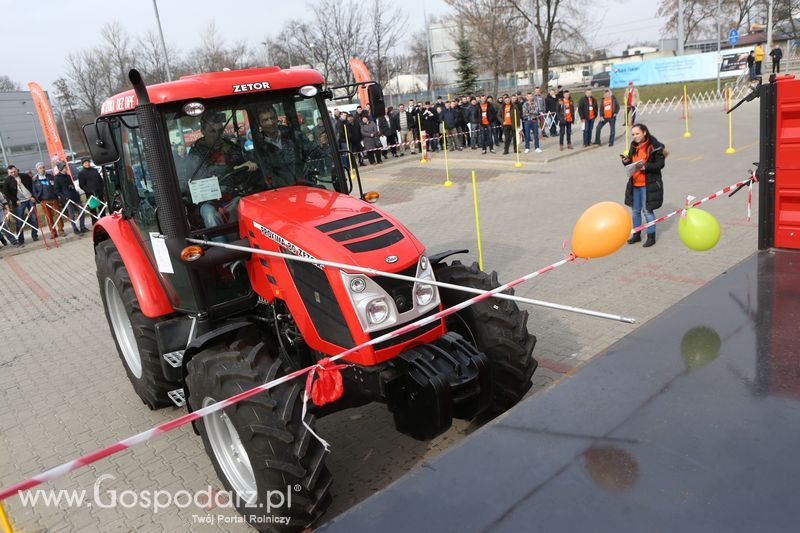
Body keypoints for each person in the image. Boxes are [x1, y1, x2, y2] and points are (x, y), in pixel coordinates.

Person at [186, 113, 258, 232]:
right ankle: (221, 248)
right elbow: (206, 172)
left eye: (220, 131)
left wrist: (249, 166)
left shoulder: (231, 148)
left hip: (232, 196)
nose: (217, 135)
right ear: (203, 131)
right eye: (212, 131)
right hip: (208, 201)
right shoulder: (196, 153)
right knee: (210, 214)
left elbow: (245, 171)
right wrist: (235, 168)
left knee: (243, 205)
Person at [622, 123, 667, 248]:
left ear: (644, 132)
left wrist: (645, 166)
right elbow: (631, 165)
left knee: (647, 211)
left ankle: (651, 236)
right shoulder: (633, 146)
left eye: (637, 133)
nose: (635, 136)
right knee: (635, 211)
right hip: (635, 184)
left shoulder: (655, 146)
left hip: (649, 184)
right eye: (633, 134)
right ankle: (636, 234)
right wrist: (626, 162)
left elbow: (660, 164)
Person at [3, 164, 39, 245]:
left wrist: (33, 196)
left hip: (30, 199)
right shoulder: (7, 181)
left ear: (17, 170)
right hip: (19, 202)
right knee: (19, 221)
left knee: (34, 218)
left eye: (14, 171)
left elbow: (32, 186)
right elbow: (6, 193)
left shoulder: (24, 176)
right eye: (11, 172)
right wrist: (15, 200)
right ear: (8, 173)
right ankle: (21, 239)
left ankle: (35, 235)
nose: (13, 173)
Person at [53, 161, 87, 235]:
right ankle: (75, 229)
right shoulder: (57, 178)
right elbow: (56, 190)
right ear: (61, 169)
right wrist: (64, 197)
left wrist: (76, 193)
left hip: (75, 197)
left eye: (66, 167)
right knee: (71, 215)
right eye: (64, 168)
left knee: (82, 211)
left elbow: (72, 186)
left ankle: (82, 227)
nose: (66, 169)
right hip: (67, 199)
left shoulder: (68, 176)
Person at [31, 162, 62, 238]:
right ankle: (53, 233)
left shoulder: (50, 176)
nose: (42, 169)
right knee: (49, 217)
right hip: (44, 201)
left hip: (54, 199)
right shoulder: (35, 180)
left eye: (43, 167)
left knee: (58, 215)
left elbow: (55, 186)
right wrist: (39, 198)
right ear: (37, 169)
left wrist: (57, 195)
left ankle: (61, 231)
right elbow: (34, 191)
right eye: (40, 168)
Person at [77, 158, 105, 224]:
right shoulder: (81, 173)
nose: (87, 164)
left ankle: (104, 220)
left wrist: (102, 188)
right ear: (83, 164)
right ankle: (95, 222)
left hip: (99, 192)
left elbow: (100, 180)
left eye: (88, 162)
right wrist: (89, 191)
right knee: (93, 209)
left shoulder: (95, 170)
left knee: (102, 207)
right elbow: (81, 185)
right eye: (85, 163)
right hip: (90, 194)